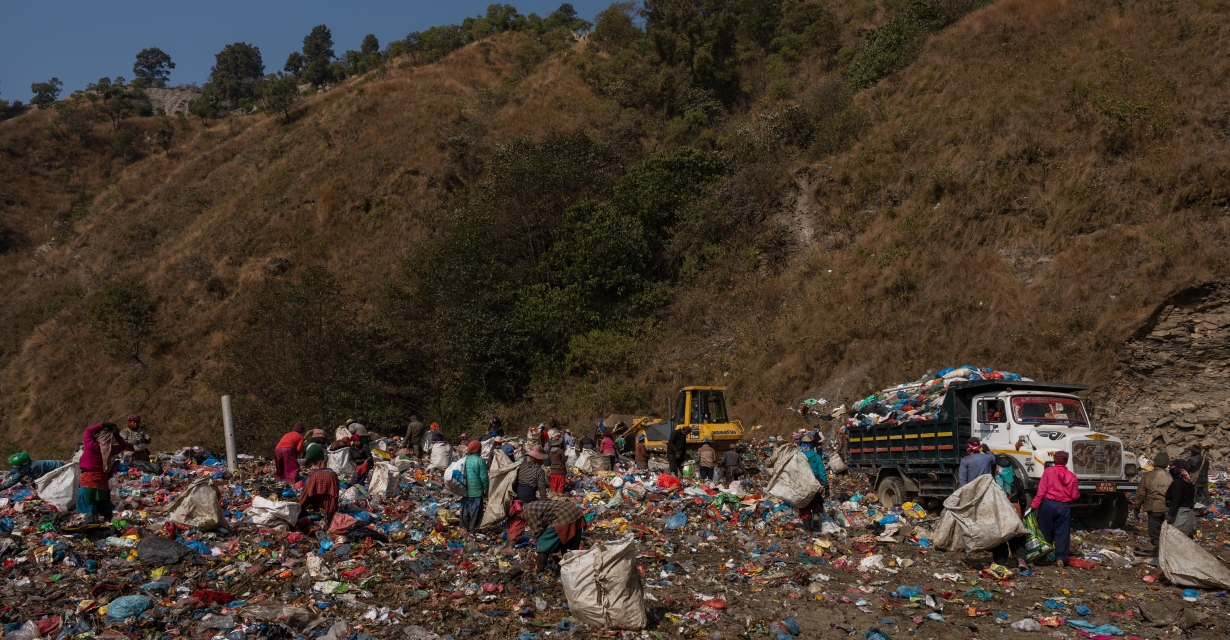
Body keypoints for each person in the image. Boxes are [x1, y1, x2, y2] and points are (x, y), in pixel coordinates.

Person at [1031, 451, 1079, 567]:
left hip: (1048, 505)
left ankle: (1042, 556)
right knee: (1062, 533)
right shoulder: (1072, 476)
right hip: (1063, 507)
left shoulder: (1048, 471)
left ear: (1054, 459)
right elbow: (1075, 495)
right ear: (1066, 461)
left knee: (1045, 532)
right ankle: (1060, 559)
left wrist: (1034, 505)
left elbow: (1041, 490)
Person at [77, 422, 130, 523]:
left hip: (89, 479)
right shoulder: (109, 450)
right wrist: (117, 435)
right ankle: (108, 518)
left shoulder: (90, 445)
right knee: (103, 500)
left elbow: (88, 429)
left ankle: (90, 520)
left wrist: (102, 425)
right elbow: (123, 445)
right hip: (102, 480)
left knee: (88, 501)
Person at [524, 499, 586, 574]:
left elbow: (538, 531)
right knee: (569, 548)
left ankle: (539, 572)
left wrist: (541, 545)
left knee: (543, 544)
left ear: (516, 514)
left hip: (564, 517)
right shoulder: (531, 504)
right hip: (575, 512)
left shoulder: (527, 512)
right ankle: (572, 571)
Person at [991, 455, 1030, 569]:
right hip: (1015, 508)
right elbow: (1023, 499)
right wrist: (1021, 511)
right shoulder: (1017, 480)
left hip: (1000, 510)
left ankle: (1001, 561)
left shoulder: (994, 481)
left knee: (1000, 536)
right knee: (1017, 535)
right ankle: (1021, 560)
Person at [1134, 452, 1171, 563]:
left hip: (1154, 507)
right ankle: (1163, 551)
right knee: (1164, 532)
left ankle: (1161, 555)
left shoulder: (1148, 476)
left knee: (1154, 533)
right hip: (1167, 508)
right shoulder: (1170, 477)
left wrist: (1137, 507)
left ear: (1155, 463)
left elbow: (1141, 494)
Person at [297, 443, 339, 533]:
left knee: (307, 493)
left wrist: (301, 504)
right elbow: (335, 495)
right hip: (332, 476)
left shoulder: (313, 471)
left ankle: (299, 513)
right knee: (330, 497)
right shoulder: (322, 456)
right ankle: (330, 519)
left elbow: (306, 493)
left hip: (318, 476)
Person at [798, 434, 829, 533]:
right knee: (816, 500)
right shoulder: (817, 457)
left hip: (803, 482)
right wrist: (826, 486)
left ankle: (807, 530)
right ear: (812, 446)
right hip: (815, 481)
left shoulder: (798, 457)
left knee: (804, 505)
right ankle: (816, 514)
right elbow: (822, 472)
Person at [461, 440, 489, 532]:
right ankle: (473, 530)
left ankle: (464, 529)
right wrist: (486, 490)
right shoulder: (480, 461)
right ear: (479, 449)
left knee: (465, 511)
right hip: (477, 492)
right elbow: (484, 478)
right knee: (475, 513)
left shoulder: (465, 459)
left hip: (466, 490)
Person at [1166, 459, 1197, 537]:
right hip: (1189, 520)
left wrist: (1169, 516)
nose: (1170, 469)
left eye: (1172, 467)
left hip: (1179, 520)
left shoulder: (1177, 483)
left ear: (1179, 470)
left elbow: (1175, 502)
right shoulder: (1189, 484)